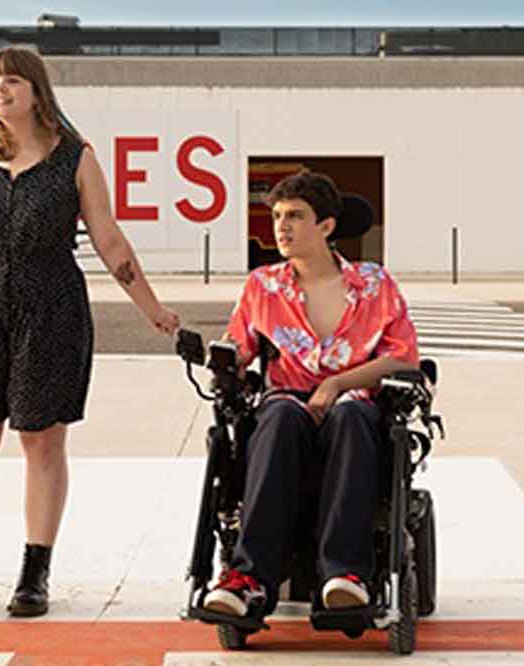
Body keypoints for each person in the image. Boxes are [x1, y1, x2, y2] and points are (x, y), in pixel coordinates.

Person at [0, 46, 180, 619]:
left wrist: (150, 307)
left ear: (36, 91)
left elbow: (111, 242)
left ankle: (34, 574)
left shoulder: (76, 159)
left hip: (51, 305)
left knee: (43, 441)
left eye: (10, 81)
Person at [202, 170, 419, 619]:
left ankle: (346, 574)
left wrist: (338, 384)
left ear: (326, 226)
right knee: (277, 415)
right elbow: (239, 348)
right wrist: (223, 362)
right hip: (288, 404)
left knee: (351, 417)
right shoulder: (263, 286)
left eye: (296, 216)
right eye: (278, 216)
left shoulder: (374, 285)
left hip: (355, 403)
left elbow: (404, 358)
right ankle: (248, 579)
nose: (281, 227)